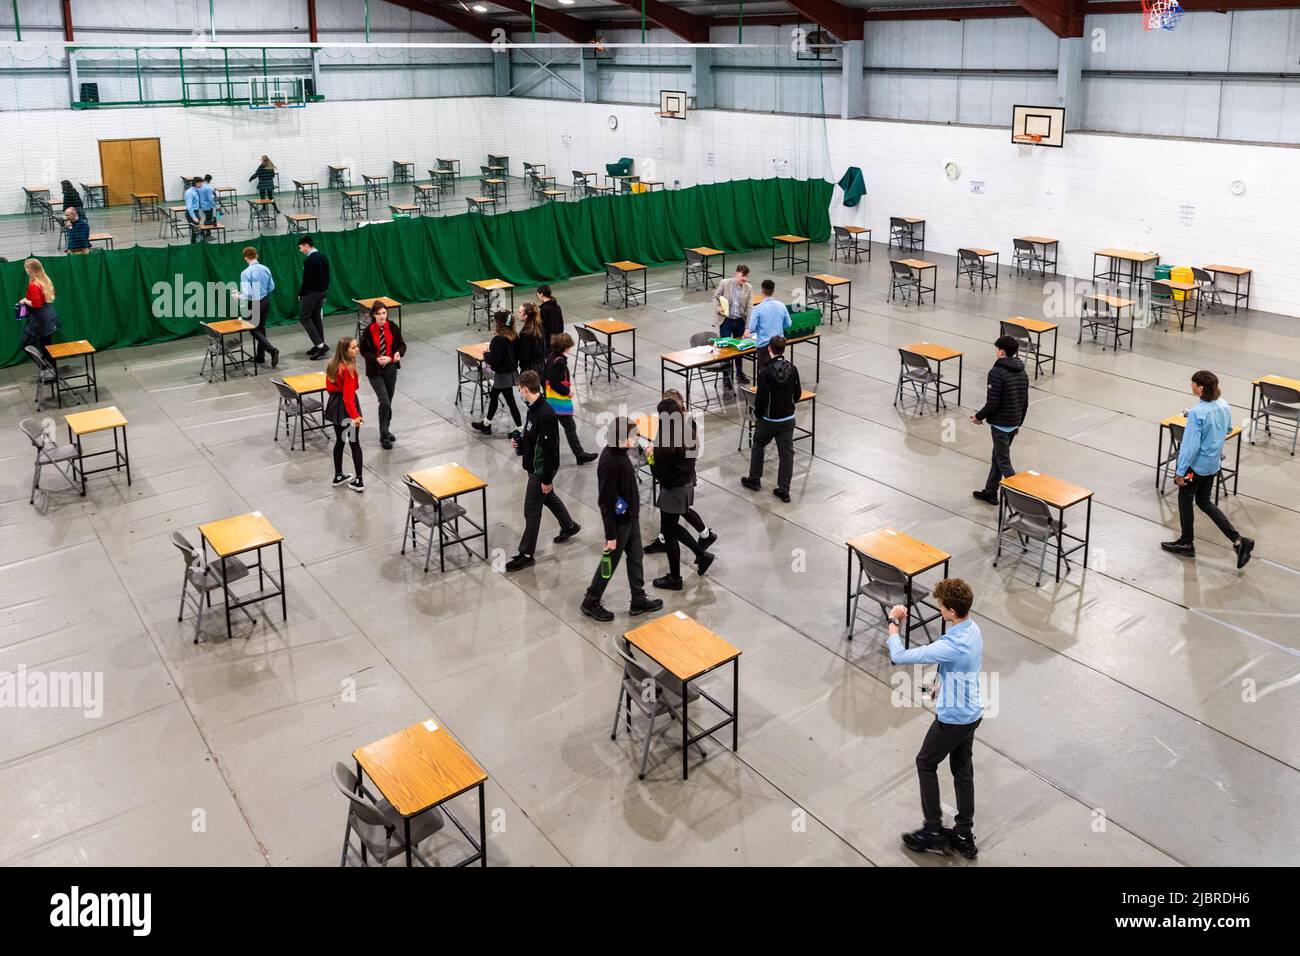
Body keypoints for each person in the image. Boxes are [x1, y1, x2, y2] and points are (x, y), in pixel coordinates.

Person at [886, 578, 983, 860]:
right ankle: (964, 833)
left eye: (941, 605)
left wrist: (894, 623)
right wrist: (936, 684)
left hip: (953, 718)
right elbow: (955, 663)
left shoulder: (952, 643)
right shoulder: (972, 630)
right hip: (973, 712)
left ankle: (933, 830)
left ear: (951, 610)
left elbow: (899, 656)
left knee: (925, 762)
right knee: (962, 770)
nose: (939, 608)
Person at [1161, 370, 1254, 568]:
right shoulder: (1223, 404)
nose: (1191, 386)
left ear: (1201, 388)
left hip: (1196, 467)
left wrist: (1180, 472)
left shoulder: (1197, 413)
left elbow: (1190, 446)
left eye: (1193, 384)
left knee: (1185, 499)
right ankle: (1238, 541)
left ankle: (1186, 542)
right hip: (1212, 464)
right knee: (1204, 501)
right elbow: (1228, 428)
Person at [580, 417, 664, 622]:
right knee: (610, 561)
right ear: (620, 438)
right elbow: (606, 501)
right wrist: (611, 535)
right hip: (619, 523)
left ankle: (638, 599)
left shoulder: (621, 453)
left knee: (636, 557)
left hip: (630, 519)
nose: (635, 440)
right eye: (632, 436)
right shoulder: (609, 461)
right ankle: (591, 600)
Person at [506, 371, 581, 572]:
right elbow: (532, 438)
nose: (519, 393)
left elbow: (549, 451)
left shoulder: (546, 414)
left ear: (525, 389)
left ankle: (526, 554)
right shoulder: (532, 408)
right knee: (547, 497)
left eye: (519, 390)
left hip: (541, 469)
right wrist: (519, 443)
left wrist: (546, 478)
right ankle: (569, 526)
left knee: (531, 510)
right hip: (534, 466)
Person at [647, 396, 715, 590]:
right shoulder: (689, 432)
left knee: (669, 533)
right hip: (686, 484)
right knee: (672, 528)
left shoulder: (664, 441)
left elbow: (660, 474)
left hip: (672, 490)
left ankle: (675, 578)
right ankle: (702, 556)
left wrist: (651, 457)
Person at [740, 335, 801, 503]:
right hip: (788, 419)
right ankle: (784, 489)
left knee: (758, 445)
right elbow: (798, 394)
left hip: (769, 420)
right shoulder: (793, 369)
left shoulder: (765, 372)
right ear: (784, 349)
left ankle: (754, 479)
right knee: (786, 454)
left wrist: (759, 416)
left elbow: (760, 399)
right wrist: (789, 406)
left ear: (769, 349)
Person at [970, 335, 1030, 505]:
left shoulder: (996, 372)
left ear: (1001, 352)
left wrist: (978, 417)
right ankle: (990, 492)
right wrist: (1018, 423)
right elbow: (1025, 401)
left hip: (1000, 424)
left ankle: (1022, 499)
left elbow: (993, 403)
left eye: (996, 349)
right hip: (1012, 422)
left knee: (1003, 461)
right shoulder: (1022, 372)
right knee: (997, 457)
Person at [542, 332, 597, 464]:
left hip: (549, 399)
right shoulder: (559, 362)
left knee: (553, 428)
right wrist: (567, 391)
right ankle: (579, 455)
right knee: (570, 427)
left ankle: (550, 455)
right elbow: (555, 382)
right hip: (559, 402)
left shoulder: (551, 356)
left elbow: (544, 377)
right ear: (565, 347)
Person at [358, 302, 405, 449]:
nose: (382, 316)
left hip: (390, 368)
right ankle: (384, 435)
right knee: (384, 401)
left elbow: (402, 345)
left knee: (388, 402)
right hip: (375, 371)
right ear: (373, 315)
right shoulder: (368, 331)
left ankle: (385, 429)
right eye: (379, 314)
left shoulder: (392, 327)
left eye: (384, 313)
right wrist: (376, 359)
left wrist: (397, 354)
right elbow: (364, 351)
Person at [324, 337, 365, 493]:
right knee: (354, 443)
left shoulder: (332, 364)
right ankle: (359, 480)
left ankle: (338, 475)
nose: (357, 349)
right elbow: (348, 398)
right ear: (345, 351)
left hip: (335, 406)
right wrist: (355, 416)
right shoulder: (348, 370)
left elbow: (329, 387)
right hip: (347, 410)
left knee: (340, 441)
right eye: (353, 348)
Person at [472, 311, 522, 435]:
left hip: (502, 375)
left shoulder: (497, 340)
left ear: (499, 323)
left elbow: (495, 361)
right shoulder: (515, 336)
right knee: (495, 396)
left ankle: (520, 428)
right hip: (511, 372)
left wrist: (487, 355)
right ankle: (486, 424)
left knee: (509, 400)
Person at [235, 246, 280, 367]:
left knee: (252, 328)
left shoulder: (245, 273)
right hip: (265, 301)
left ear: (245, 258)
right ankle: (260, 356)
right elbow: (271, 287)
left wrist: (238, 296)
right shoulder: (265, 269)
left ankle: (272, 350)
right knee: (261, 328)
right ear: (256, 256)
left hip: (255, 303)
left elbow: (247, 293)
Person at [714, 264, 752, 388]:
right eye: (743, 275)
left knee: (739, 349)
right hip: (726, 321)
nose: (744, 279)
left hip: (740, 321)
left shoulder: (748, 288)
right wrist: (717, 307)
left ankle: (739, 373)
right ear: (736, 274)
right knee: (725, 349)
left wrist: (747, 327)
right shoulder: (725, 283)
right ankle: (726, 376)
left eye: (746, 276)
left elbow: (749, 307)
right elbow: (715, 297)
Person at [745, 279, 791, 375]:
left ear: (762, 290)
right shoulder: (781, 305)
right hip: (779, 344)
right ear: (773, 290)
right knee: (778, 370)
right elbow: (788, 324)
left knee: (764, 373)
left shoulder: (757, 308)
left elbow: (752, 327)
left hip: (763, 346)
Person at [18, 258, 59, 363]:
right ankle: (50, 371)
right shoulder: (45, 280)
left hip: (41, 320)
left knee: (25, 344)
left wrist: (25, 301)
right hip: (50, 318)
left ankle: (46, 368)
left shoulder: (34, 285)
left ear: (29, 270)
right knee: (46, 348)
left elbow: (36, 304)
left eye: (26, 268)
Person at [296, 235, 330, 359]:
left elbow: (307, 280)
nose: (300, 250)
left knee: (304, 317)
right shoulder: (323, 257)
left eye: (301, 248)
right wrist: (324, 291)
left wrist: (301, 293)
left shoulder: (309, 260)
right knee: (315, 317)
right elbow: (327, 277)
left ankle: (321, 346)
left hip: (311, 293)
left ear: (306, 245)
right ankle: (319, 344)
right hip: (321, 292)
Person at [515, 302, 547, 381]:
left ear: (526, 316)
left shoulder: (526, 333)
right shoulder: (539, 326)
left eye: (520, 312)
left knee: (529, 391)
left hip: (529, 368)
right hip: (541, 364)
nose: (517, 314)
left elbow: (525, 355)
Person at [183, 177, 204, 243]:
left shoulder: (195, 191)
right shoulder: (189, 192)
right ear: (196, 183)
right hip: (191, 214)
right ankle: (194, 244)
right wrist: (194, 217)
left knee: (196, 232)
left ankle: (195, 244)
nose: (202, 184)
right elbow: (189, 206)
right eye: (201, 183)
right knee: (196, 231)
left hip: (196, 212)